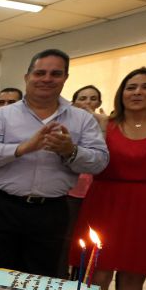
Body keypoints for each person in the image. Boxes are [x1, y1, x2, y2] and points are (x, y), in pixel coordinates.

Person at [0, 49, 108, 278]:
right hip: (1, 207)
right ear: (27, 77)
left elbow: (100, 162)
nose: (47, 79)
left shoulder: (82, 119)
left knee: (40, 277)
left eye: (55, 73)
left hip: (51, 212)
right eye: (40, 73)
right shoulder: (2, 116)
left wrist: (70, 151)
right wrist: (23, 148)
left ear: (65, 78)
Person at [70, 68, 146, 290]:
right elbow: (90, 163)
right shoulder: (105, 124)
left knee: (133, 278)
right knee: (96, 274)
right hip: (104, 202)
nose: (137, 93)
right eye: (131, 87)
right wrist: (101, 130)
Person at [57, 85, 107, 278]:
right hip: (71, 192)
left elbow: (104, 157)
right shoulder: (69, 126)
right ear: (74, 102)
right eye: (83, 98)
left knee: (89, 239)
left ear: (100, 103)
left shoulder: (106, 125)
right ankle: (62, 278)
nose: (88, 103)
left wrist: (102, 125)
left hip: (96, 193)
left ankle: (82, 279)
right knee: (66, 239)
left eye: (93, 98)